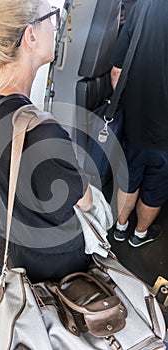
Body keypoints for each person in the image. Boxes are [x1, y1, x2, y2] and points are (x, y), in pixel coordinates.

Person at [0, 0, 93, 283]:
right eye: (52, 17)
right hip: (59, 266)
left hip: (18, 248)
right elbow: (85, 201)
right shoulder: (43, 132)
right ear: (30, 35)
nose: (57, 25)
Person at [110, 0, 168, 247]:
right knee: (155, 188)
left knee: (129, 178)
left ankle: (120, 228)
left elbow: (116, 72)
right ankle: (140, 235)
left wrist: (130, 105)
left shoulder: (144, 7)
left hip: (135, 125)